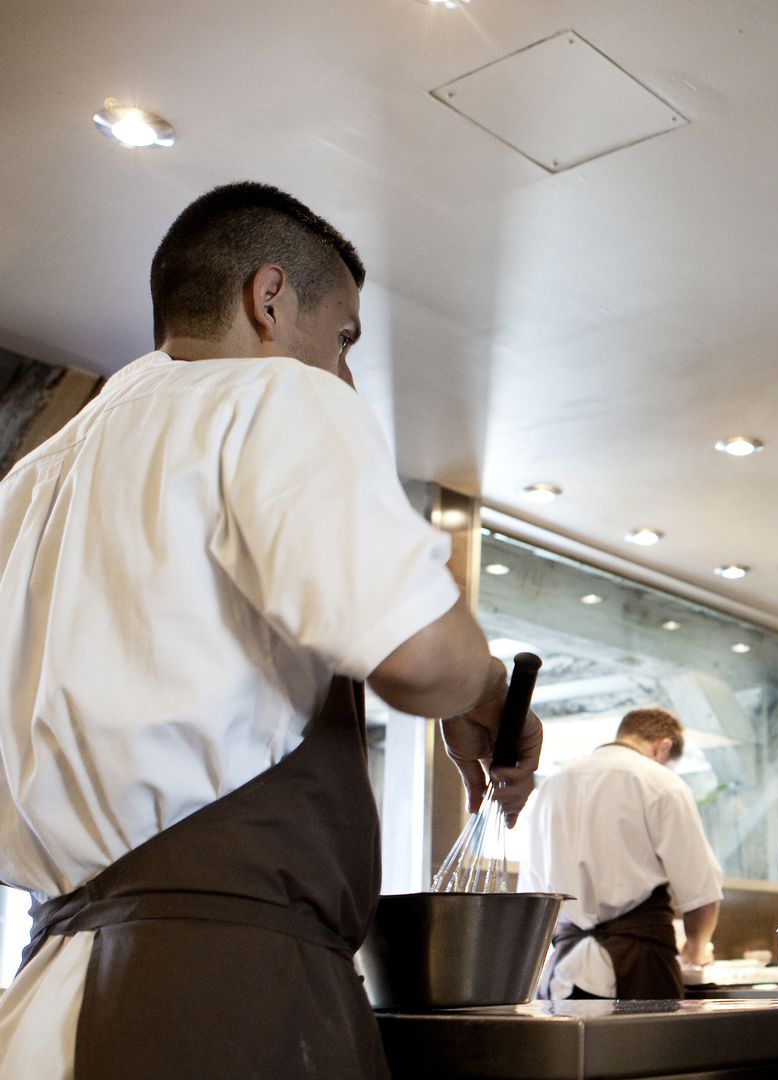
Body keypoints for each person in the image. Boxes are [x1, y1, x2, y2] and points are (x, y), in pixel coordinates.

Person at [0, 181, 542, 1080]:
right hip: (221, 1000)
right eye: (344, 338)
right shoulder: (271, 395)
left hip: (43, 1001)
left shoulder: (26, 484)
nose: (347, 374)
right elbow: (425, 658)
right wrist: (485, 689)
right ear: (269, 299)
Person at [521, 707, 725, 1001]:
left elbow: (531, 894)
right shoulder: (661, 782)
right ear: (663, 746)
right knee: (642, 1048)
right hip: (640, 967)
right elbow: (701, 893)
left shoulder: (551, 786)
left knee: (574, 1048)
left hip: (562, 971)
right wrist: (697, 946)